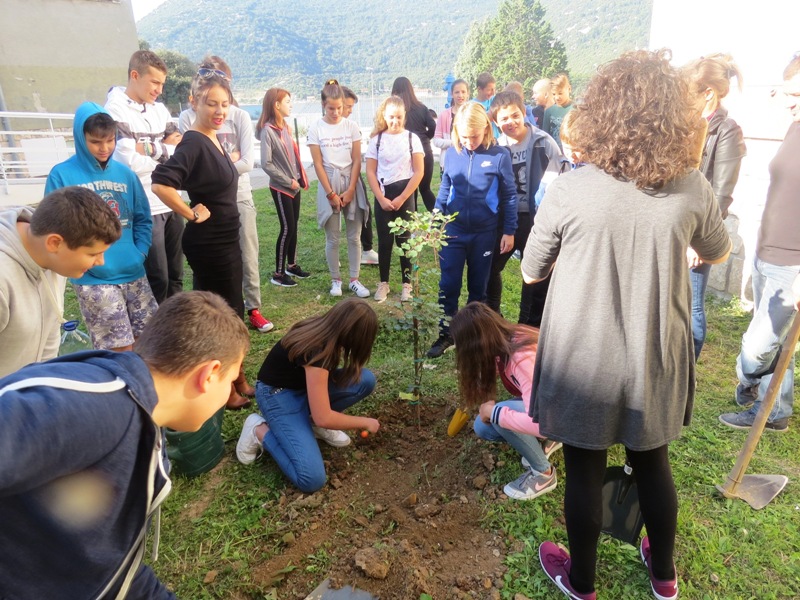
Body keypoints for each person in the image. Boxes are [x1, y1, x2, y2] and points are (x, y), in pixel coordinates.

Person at [522, 50, 731, 600]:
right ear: (674, 114)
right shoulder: (691, 187)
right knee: (653, 462)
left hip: (583, 359)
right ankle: (664, 576)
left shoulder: (571, 188)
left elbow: (530, 270)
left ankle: (582, 582)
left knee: (585, 469)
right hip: (654, 354)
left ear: (601, 112)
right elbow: (717, 249)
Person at [0, 290, 250, 599]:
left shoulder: (142, 422)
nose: (229, 393)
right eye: (231, 380)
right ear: (209, 375)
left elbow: (111, 565)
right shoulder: (98, 408)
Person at [151, 61, 254, 410]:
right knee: (221, 317)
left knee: (233, 310)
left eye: (224, 104)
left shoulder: (213, 137)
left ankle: (236, 377)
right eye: (212, 104)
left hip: (225, 239)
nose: (219, 111)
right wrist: (189, 212)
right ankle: (224, 387)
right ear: (194, 102)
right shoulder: (193, 142)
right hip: (210, 244)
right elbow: (162, 183)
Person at [719, 54, 800, 433]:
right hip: (766, 250)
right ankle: (776, 410)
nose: (789, 103)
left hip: (793, 265)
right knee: (772, 339)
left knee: (757, 348)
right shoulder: (795, 128)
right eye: (787, 93)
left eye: (797, 95)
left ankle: (750, 380)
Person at [45, 103, 158, 352]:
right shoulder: (61, 176)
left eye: (110, 140)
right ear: (80, 138)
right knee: (119, 351)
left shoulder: (126, 174)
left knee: (149, 345)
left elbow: (142, 218)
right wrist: (82, 264)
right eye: (96, 142)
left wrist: (140, 252)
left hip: (133, 272)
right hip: (94, 279)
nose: (104, 148)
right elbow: (55, 228)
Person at [236, 298, 380, 493]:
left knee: (365, 380)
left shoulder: (325, 330)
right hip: (277, 395)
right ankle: (258, 430)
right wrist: (365, 422)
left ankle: (308, 424)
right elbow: (324, 417)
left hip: (303, 386)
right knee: (311, 478)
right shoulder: (318, 350)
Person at [179, 56, 275, 334]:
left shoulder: (240, 116)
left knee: (247, 256)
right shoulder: (188, 118)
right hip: (206, 205)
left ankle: (253, 309)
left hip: (240, 196)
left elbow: (248, 162)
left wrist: (215, 165)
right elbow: (190, 168)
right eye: (208, 78)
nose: (218, 108)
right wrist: (225, 161)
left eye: (223, 81)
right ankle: (207, 319)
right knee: (208, 268)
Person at [427, 102, 517, 358]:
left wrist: (509, 231)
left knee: (479, 288)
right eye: (464, 137)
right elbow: (445, 188)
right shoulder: (452, 154)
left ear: (485, 129)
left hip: (484, 233)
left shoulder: (499, 155)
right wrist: (436, 222)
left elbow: (509, 196)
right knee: (448, 284)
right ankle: (446, 333)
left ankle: (475, 335)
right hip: (454, 231)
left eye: (474, 136)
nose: (469, 142)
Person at [0, 187, 120, 377]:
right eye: (93, 254)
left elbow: (50, 333)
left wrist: (41, 381)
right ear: (54, 243)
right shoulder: (3, 278)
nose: (100, 262)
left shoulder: (53, 259)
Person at [451, 302, 560, 500]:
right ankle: (553, 440)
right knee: (483, 426)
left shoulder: (522, 358)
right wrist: (484, 396)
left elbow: (543, 423)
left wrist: (495, 413)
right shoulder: (505, 340)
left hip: (563, 417)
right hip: (554, 406)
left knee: (499, 414)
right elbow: (492, 368)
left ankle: (544, 474)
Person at [682, 54, 747, 360]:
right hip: (677, 223)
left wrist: (697, 241)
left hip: (699, 231)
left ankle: (690, 367)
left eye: (689, 91)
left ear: (708, 92)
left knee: (693, 304)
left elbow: (721, 194)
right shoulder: (686, 123)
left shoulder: (727, 131)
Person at [105, 50, 183, 304]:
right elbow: (128, 162)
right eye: (155, 82)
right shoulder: (115, 109)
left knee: (177, 275)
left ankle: (177, 322)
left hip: (171, 199)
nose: (159, 90)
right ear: (135, 76)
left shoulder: (159, 109)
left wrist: (147, 148)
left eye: (162, 84)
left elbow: (180, 149)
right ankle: (156, 325)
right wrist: (164, 150)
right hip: (144, 206)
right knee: (157, 278)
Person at [486, 91, 564, 325]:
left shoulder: (543, 142)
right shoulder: (496, 147)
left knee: (534, 275)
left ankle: (527, 327)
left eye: (515, 115)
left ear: (523, 112)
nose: (511, 122)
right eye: (504, 119)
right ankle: (495, 319)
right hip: (506, 219)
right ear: (496, 122)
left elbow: (561, 178)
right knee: (489, 267)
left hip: (536, 219)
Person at [307, 79, 371, 298]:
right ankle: (336, 279)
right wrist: (330, 194)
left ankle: (354, 279)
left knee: (354, 236)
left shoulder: (351, 127)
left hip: (350, 181)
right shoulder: (316, 128)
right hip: (329, 181)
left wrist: (351, 189)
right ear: (323, 105)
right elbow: (317, 164)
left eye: (339, 108)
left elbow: (357, 159)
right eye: (331, 108)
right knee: (332, 237)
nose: (336, 113)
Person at [365, 95, 425, 303]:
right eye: (391, 117)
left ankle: (407, 284)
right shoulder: (376, 140)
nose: (395, 121)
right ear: (384, 115)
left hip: (404, 196)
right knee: (385, 241)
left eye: (399, 117)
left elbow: (418, 172)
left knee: (405, 241)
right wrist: (381, 198)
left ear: (404, 116)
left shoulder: (412, 139)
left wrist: (402, 197)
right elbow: (370, 171)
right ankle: (384, 283)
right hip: (383, 196)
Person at [257, 87, 310, 288]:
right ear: (276, 105)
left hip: (294, 186)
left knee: (294, 225)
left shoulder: (286, 127)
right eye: (287, 101)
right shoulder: (267, 131)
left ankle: (291, 265)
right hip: (281, 188)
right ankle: (278, 274)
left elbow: (293, 156)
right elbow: (266, 164)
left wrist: (300, 178)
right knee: (287, 227)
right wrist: (288, 181)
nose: (291, 105)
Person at [342, 86, 379, 265]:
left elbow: (357, 157)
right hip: (334, 177)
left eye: (352, 107)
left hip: (353, 175)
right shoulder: (323, 127)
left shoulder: (351, 126)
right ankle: (334, 253)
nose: (350, 110)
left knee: (363, 209)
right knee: (333, 216)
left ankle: (367, 249)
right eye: (348, 106)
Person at [390, 77, 437, 212]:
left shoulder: (397, 111)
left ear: (395, 91)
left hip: (405, 153)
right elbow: (433, 126)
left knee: (410, 191)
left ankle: (412, 222)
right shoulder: (421, 107)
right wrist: (426, 138)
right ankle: (440, 220)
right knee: (426, 189)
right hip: (425, 151)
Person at [432, 78, 469, 172]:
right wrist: (453, 143)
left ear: (468, 94)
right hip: (448, 163)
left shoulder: (472, 114)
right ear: (452, 94)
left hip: (468, 161)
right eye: (457, 92)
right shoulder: (444, 115)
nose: (460, 95)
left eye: (463, 92)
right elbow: (436, 140)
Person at [541, 73, 574, 151]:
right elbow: (545, 135)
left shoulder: (576, 109)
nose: (557, 97)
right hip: (555, 152)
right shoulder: (549, 112)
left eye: (560, 93)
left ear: (569, 89)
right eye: (554, 94)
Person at [474, 72, 499, 137]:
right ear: (479, 89)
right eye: (489, 90)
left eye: (494, 89)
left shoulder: (495, 100)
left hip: (496, 138)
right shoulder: (472, 105)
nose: (493, 93)